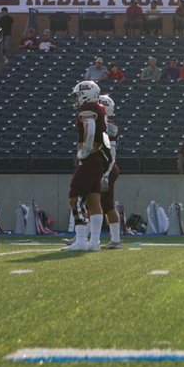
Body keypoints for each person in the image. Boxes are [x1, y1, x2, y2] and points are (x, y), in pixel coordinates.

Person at [64, 80, 110, 252]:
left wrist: (85, 150)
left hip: (90, 159)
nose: (76, 99)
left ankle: (82, 240)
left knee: (74, 199)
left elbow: (90, 129)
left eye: (77, 95)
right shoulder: (99, 108)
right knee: (93, 200)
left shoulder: (87, 109)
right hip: (98, 159)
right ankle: (94, 242)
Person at [97, 94, 123, 249]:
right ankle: (116, 240)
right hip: (106, 168)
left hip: (105, 168)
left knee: (91, 203)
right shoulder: (104, 123)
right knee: (107, 206)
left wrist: (105, 174)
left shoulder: (110, 125)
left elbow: (111, 153)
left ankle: (81, 237)